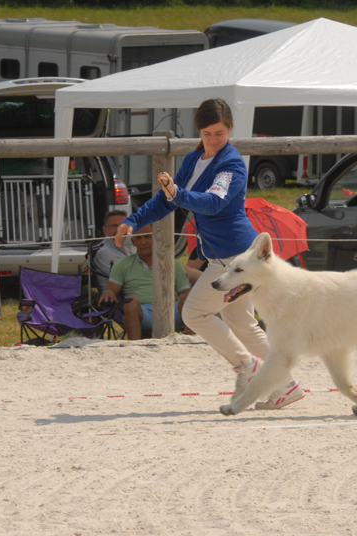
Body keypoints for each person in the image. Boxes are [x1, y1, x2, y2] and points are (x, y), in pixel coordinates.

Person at [114, 98, 306, 410]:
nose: (214, 139)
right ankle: (285, 385)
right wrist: (132, 221)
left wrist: (177, 193)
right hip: (229, 255)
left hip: (234, 259)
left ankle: (247, 367)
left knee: (194, 312)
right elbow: (166, 201)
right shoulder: (193, 159)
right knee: (240, 321)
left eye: (219, 132)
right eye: (207, 133)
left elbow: (213, 202)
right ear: (199, 133)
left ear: (230, 129)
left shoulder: (231, 165)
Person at [99, 225, 190, 340]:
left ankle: (189, 342)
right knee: (130, 301)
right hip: (143, 313)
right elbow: (111, 290)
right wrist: (108, 292)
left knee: (190, 296)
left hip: (172, 312)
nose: (143, 242)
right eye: (138, 238)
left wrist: (181, 296)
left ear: (156, 239)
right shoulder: (123, 264)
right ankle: (135, 348)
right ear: (133, 242)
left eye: (148, 237)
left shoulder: (173, 263)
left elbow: (185, 293)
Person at [93, 210, 134, 293]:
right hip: (120, 301)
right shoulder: (105, 253)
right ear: (105, 230)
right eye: (114, 226)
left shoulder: (129, 251)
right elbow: (129, 280)